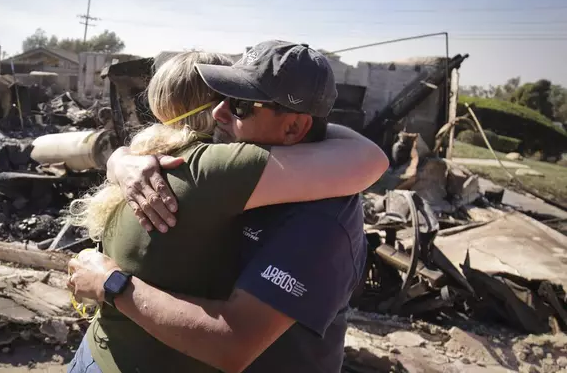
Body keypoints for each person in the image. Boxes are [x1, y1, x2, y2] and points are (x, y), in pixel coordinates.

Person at [67, 41, 388, 373]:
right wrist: (121, 161)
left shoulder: (320, 217)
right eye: (220, 98)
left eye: (239, 105)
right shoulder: (212, 166)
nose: (219, 113)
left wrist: (112, 283)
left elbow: (232, 343)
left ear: (293, 126)